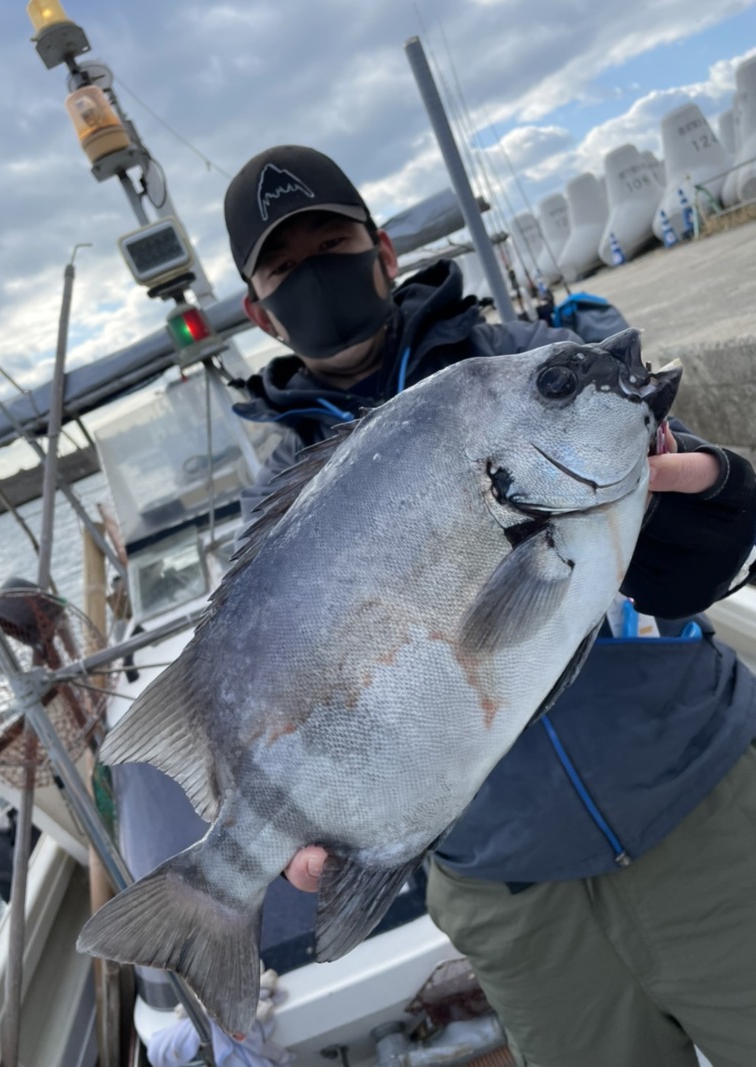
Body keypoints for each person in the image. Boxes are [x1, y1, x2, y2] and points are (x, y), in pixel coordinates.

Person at [224, 144, 756, 1067]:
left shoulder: (530, 369)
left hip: (703, 810)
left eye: (331, 244)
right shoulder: (275, 510)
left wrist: (718, 496)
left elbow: (698, 566)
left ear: (383, 250)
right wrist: (301, 817)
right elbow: (276, 692)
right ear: (259, 310)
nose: (316, 274)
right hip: (513, 899)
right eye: (286, 266)